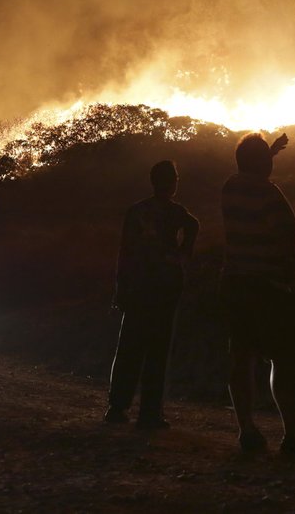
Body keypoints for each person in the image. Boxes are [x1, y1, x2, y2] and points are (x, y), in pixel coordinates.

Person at [221, 132, 295, 455]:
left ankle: (247, 430)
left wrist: (267, 152)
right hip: (268, 287)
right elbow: (285, 236)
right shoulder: (270, 195)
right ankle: (293, 433)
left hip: (236, 284)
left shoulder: (231, 187)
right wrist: (290, 274)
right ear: (261, 163)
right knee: (282, 360)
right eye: (267, 160)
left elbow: (248, 169)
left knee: (241, 355)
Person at [105, 160, 199, 429]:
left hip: (137, 288)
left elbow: (124, 254)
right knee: (157, 350)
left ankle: (117, 406)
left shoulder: (137, 212)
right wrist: (183, 255)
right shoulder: (176, 212)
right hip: (164, 288)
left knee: (129, 347)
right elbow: (194, 226)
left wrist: (120, 288)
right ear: (173, 182)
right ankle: (149, 413)